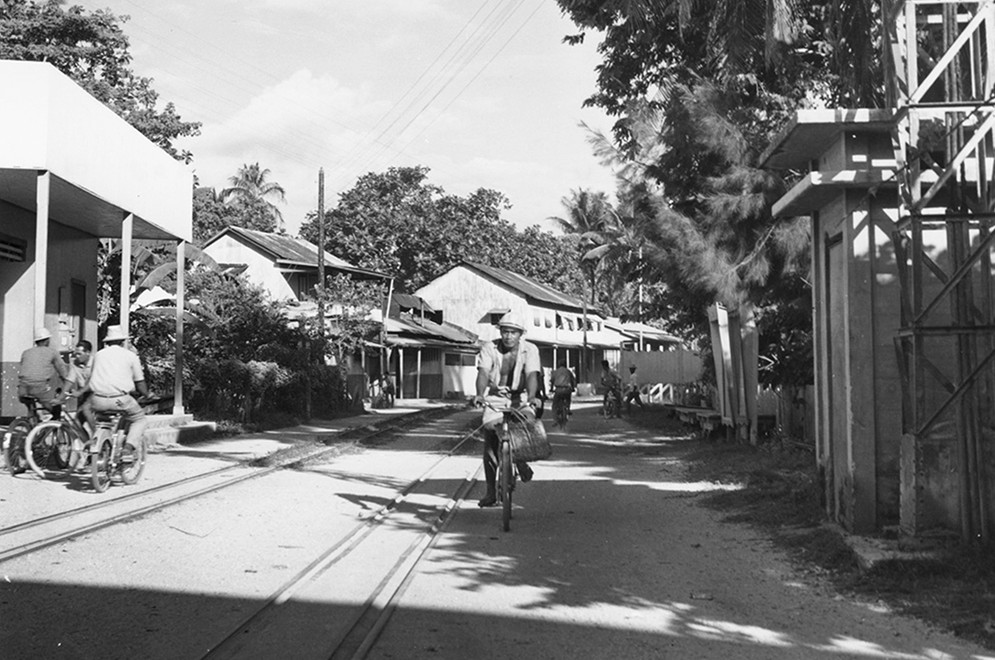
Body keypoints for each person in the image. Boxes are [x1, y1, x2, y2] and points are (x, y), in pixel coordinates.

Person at [472, 311, 541, 508]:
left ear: (521, 334)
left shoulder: (530, 349)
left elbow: (531, 374)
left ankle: (520, 460)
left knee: (526, 425)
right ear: (500, 332)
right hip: (496, 397)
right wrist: (479, 394)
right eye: (505, 331)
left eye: (513, 332)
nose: (508, 336)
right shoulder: (489, 348)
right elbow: (483, 372)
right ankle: (490, 492)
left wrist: (533, 397)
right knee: (490, 441)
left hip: (521, 397)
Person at [83, 325, 149, 459]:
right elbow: (140, 382)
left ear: (107, 342)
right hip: (120, 399)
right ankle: (128, 448)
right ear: (122, 341)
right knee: (139, 419)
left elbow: (91, 376)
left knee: (99, 416)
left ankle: (97, 442)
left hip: (98, 399)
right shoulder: (130, 356)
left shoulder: (98, 355)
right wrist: (147, 394)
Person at [18, 327, 68, 417]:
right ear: (47, 341)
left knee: (29, 401)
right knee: (54, 408)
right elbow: (62, 370)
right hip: (39, 388)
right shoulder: (52, 352)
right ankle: (54, 422)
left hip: (22, 389)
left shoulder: (26, 352)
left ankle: (32, 418)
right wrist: (68, 384)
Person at [66, 340, 95, 432]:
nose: (77, 356)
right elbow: (70, 379)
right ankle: (86, 439)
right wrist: (61, 396)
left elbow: (93, 382)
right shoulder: (75, 363)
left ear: (88, 353)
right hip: (83, 394)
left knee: (86, 410)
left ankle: (96, 435)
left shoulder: (95, 362)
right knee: (77, 423)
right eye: (76, 354)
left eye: (79, 354)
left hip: (95, 393)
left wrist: (79, 392)